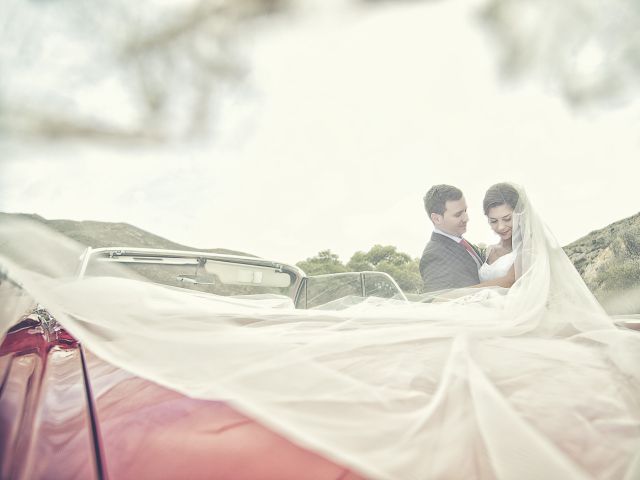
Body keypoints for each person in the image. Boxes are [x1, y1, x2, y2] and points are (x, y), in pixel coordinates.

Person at [1, 184, 639, 480]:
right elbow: (465, 286)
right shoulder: (447, 250)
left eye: (493, 216)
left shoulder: (484, 245)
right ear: (446, 216)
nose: (485, 221)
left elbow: (499, 281)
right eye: (475, 213)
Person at [419, 184, 485, 292]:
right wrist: (506, 280)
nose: (466, 218)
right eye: (458, 214)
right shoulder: (434, 256)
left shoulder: (459, 241)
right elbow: (441, 300)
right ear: (436, 219)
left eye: (465, 211)